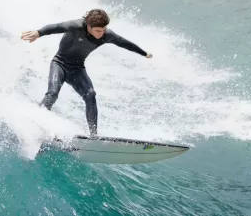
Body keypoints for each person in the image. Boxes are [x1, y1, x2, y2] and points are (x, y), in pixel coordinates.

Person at [21, 9, 152, 137]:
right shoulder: (75, 26)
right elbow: (56, 27)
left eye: (104, 29)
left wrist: (144, 53)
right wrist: (38, 33)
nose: (102, 33)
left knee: (90, 94)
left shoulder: (107, 35)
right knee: (52, 93)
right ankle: (35, 123)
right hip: (59, 64)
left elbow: (124, 43)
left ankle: (93, 136)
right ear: (89, 26)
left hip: (77, 69)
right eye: (98, 30)